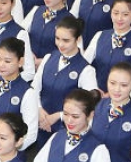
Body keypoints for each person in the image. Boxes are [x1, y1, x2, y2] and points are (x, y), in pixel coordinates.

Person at [34, 16, 98, 149]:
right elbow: (35, 88)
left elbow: (88, 107)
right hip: (41, 124)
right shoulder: (48, 58)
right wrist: (39, 109)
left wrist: (59, 116)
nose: (60, 44)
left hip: (67, 131)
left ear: (78, 39)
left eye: (66, 40)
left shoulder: (86, 70)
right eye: (57, 39)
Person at [84, 0, 131, 94]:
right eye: (115, 13)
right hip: (95, 96)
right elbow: (84, 65)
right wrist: (94, 90)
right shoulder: (100, 35)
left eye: (125, 14)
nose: (119, 18)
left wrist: (113, 95)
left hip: (122, 97)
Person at [23, 0, 71, 66]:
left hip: (52, 67)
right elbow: (21, 35)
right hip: (28, 64)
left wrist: (43, 61)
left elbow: (70, 53)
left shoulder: (69, 20)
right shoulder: (36, 10)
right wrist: (28, 54)